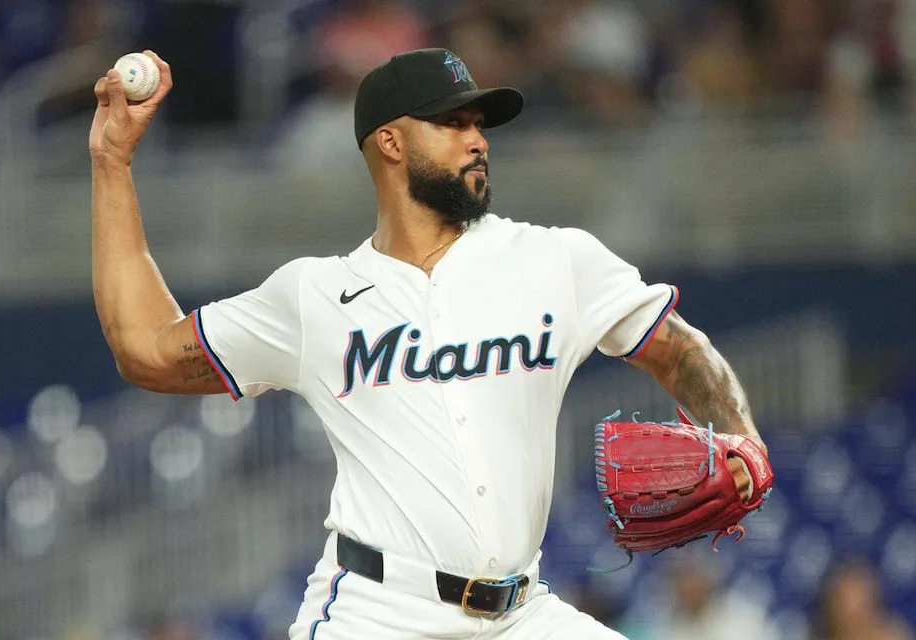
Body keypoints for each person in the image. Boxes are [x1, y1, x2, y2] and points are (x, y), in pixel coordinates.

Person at [89, 48, 766, 640]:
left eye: (479, 123)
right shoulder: (315, 297)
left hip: (521, 615)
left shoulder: (555, 261)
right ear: (389, 142)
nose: (477, 139)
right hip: (377, 613)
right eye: (453, 122)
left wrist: (741, 436)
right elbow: (145, 349)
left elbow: (678, 348)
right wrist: (112, 161)